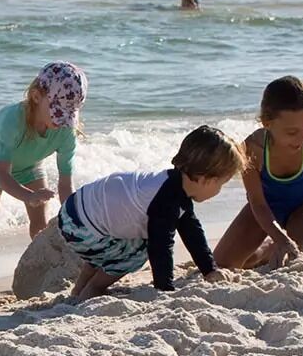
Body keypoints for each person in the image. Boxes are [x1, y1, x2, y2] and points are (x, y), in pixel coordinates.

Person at [54, 125, 242, 302]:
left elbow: (191, 231)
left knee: (114, 248)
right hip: (82, 229)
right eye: (221, 184)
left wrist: (209, 269)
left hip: (73, 215)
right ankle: (94, 288)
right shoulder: (166, 201)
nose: (219, 191)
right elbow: (160, 247)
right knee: (138, 251)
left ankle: (78, 290)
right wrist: (165, 288)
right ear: (205, 179)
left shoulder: (171, 184)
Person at [0, 61, 85, 307]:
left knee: (41, 230)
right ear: (36, 96)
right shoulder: (11, 121)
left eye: (68, 114)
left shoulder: (66, 131)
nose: (61, 121)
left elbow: (65, 185)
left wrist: (74, 217)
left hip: (32, 165)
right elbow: (3, 175)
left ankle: (43, 283)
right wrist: (27, 196)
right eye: (57, 111)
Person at [212, 75, 303, 268]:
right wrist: (281, 239)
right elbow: (258, 204)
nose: (302, 138)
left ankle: (282, 242)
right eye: (292, 132)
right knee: (224, 264)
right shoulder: (252, 150)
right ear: (267, 123)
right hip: (265, 208)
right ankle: (269, 247)